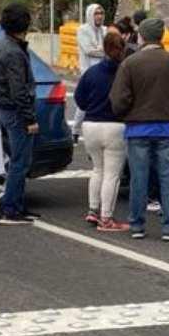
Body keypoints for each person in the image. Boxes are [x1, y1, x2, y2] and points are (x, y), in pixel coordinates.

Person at [110, 16, 169, 241]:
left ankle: (137, 225)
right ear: (161, 36)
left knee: (139, 178)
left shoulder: (130, 64)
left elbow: (118, 100)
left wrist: (128, 115)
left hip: (137, 130)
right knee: (167, 177)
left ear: (142, 36)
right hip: (166, 128)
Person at [0, 2, 40, 226]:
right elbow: (18, 90)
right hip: (15, 112)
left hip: (7, 109)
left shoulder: (3, 46)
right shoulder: (13, 52)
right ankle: (10, 210)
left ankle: (18, 206)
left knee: (19, 160)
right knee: (20, 162)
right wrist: (29, 119)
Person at [75, 26, 128, 230]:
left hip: (91, 125)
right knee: (112, 175)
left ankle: (92, 210)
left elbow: (79, 99)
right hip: (115, 125)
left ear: (103, 49)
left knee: (97, 170)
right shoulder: (125, 72)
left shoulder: (91, 72)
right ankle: (107, 218)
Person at [77, 3, 108, 76]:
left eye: (101, 13)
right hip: (88, 71)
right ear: (90, 15)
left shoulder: (105, 30)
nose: (99, 16)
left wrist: (103, 50)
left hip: (104, 71)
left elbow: (110, 48)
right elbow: (89, 51)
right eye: (96, 14)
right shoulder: (83, 30)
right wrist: (106, 52)